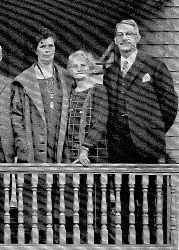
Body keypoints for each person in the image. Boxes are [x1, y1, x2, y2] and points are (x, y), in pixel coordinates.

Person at [102, 19, 177, 164]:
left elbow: (170, 106)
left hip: (147, 141)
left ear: (138, 38)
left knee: (149, 186)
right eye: (120, 35)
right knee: (121, 186)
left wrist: (153, 129)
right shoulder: (110, 72)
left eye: (129, 34)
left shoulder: (155, 66)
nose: (124, 38)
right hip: (118, 145)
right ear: (116, 40)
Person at [11, 27, 71, 164]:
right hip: (34, 141)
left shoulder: (66, 77)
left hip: (60, 140)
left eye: (51, 46)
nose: (47, 50)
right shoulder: (24, 80)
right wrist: (22, 145)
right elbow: (16, 115)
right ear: (35, 50)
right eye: (42, 46)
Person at [65, 51, 108, 166]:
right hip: (71, 154)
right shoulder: (69, 93)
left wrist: (85, 148)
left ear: (90, 68)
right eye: (75, 66)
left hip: (93, 153)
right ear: (70, 70)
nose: (79, 69)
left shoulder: (98, 90)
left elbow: (100, 122)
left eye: (83, 65)